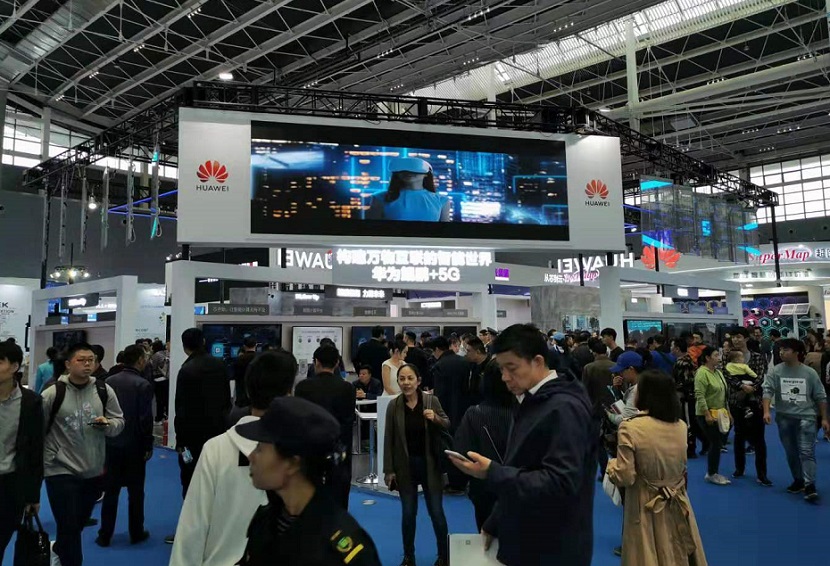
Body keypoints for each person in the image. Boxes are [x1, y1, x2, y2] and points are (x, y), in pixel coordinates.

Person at [449, 324, 595, 566]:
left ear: (537, 361)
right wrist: (496, 520)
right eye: (501, 368)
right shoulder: (531, 401)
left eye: (512, 368)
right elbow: (522, 465)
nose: (505, 377)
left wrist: (491, 472)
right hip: (528, 536)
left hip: (552, 546)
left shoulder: (564, 408)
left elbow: (561, 482)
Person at [170, 350, 297, 566]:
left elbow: (193, 527)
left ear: (247, 389)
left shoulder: (216, 448)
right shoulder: (300, 451)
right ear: (289, 393)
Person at [236, 396, 381, 566]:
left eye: (260, 448)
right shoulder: (266, 522)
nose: (251, 456)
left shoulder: (340, 549)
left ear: (292, 463)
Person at [606, 370, 708, 566]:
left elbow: (625, 476)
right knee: (676, 548)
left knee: (647, 552)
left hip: (644, 500)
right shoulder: (680, 425)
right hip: (677, 497)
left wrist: (611, 466)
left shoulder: (630, 427)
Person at [41, 342, 125, 566]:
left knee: (76, 523)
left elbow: (119, 421)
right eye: (81, 360)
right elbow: (37, 430)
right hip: (59, 469)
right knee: (69, 525)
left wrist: (108, 425)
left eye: (91, 360)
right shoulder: (52, 394)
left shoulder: (104, 391)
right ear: (68, 364)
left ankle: (58, 548)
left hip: (93, 469)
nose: (87, 364)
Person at [169, 328, 232, 544]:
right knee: (216, 482)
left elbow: (181, 409)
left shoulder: (187, 370)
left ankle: (192, 531)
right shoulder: (220, 365)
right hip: (218, 434)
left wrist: (180, 441)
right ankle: (216, 529)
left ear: (184, 346)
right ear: (204, 341)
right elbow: (227, 401)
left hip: (191, 438)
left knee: (190, 483)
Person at [383, 364, 450, 566]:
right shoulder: (393, 406)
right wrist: (389, 470)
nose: (406, 383)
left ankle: (444, 556)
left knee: (436, 513)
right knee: (408, 514)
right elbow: (388, 439)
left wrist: (435, 418)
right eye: (402, 379)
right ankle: (408, 557)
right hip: (405, 467)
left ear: (418, 381)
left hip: (430, 465)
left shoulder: (431, 401)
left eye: (410, 378)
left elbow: (447, 423)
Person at [95, 345, 154, 547]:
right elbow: (145, 419)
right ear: (139, 360)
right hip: (134, 445)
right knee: (136, 492)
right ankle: (136, 531)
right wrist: (148, 444)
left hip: (111, 442)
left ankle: (105, 534)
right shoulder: (143, 384)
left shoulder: (109, 381)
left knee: (110, 491)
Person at [763, 338, 830, 501]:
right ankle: (798, 480)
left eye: (785, 350)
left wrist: (824, 418)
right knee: (791, 451)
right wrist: (766, 411)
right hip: (784, 417)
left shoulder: (809, 373)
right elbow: (767, 390)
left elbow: (820, 396)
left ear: (797, 353)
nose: (781, 352)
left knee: (807, 451)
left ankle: (810, 484)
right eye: (781, 350)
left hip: (806, 417)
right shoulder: (776, 371)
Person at [453, 358, 514, 531]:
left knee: (486, 536)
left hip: (484, 487)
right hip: (521, 485)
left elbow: (462, 453)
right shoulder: (528, 412)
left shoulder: (474, 413)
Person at [294, 344, 356, 510]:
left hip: (310, 452)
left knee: (310, 504)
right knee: (338, 503)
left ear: (316, 362)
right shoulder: (347, 388)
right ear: (337, 363)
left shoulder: (303, 387)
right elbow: (348, 422)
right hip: (338, 453)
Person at [0, 340, 43, 565]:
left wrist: (33, 494)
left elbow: (35, 450)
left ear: (15, 367)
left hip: (10, 486)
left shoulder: (30, 403)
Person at [367, 157, 450, 222]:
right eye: (403, 170)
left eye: (415, 169)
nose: (408, 172)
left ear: (426, 174)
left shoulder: (442, 200)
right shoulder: (380, 198)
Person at [694, 346, 730, 486]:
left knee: (718, 442)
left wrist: (728, 411)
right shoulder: (702, 373)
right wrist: (707, 414)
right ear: (707, 358)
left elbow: (724, 393)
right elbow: (700, 395)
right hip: (706, 413)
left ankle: (713, 472)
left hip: (720, 412)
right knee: (715, 442)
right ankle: (711, 473)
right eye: (716, 355)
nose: (719, 358)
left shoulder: (718, 372)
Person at [582, 337, 616, 477]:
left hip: (596, 408)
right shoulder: (615, 365)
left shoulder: (589, 368)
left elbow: (585, 390)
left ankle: (604, 470)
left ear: (594, 353)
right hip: (615, 408)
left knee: (599, 442)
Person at [607, 351, 644, 427]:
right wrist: (617, 389)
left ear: (631, 369)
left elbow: (625, 419)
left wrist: (610, 415)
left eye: (621, 371)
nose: (620, 374)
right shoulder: (633, 385)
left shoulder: (637, 390)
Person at [464, 337, 500, 407]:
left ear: (478, 352)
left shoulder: (492, 366)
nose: (466, 354)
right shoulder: (472, 364)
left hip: (487, 406)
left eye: (469, 351)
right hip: (473, 405)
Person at [233, 336, 258, 407]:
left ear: (244, 346)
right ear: (256, 345)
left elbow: (235, 376)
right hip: (256, 396)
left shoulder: (238, 360)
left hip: (242, 395)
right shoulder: (260, 359)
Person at [149, 341, 169, 422]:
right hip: (165, 378)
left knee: (159, 399)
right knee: (165, 398)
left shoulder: (156, 355)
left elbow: (153, 367)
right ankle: (166, 415)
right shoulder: (164, 354)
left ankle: (159, 417)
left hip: (158, 379)